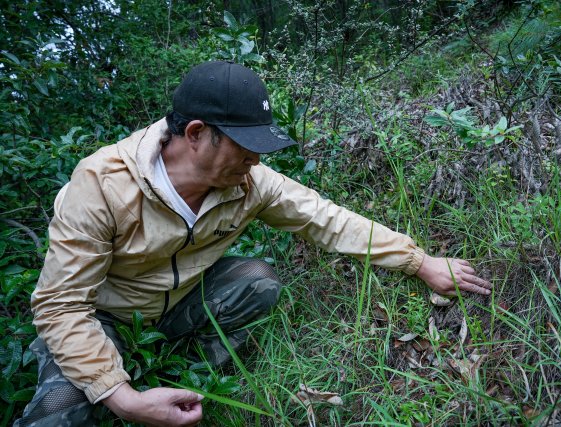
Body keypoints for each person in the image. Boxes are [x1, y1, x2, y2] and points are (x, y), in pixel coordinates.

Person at [15, 61, 492, 427]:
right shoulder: (100, 185)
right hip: (105, 317)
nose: (256, 158)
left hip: (181, 303)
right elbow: (61, 307)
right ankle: (132, 391)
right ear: (197, 134)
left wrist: (419, 261)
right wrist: (123, 399)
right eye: (244, 146)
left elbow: (325, 219)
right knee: (59, 407)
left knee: (258, 281)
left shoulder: (249, 181)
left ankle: (185, 386)